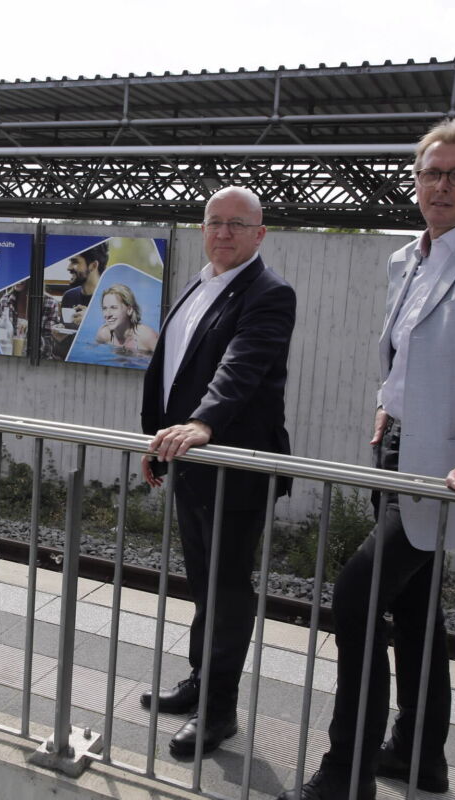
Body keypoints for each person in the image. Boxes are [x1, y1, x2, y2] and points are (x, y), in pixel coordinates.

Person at [279, 117, 455, 800]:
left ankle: (345, 776)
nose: (441, 185)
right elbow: (410, 353)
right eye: (431, 173)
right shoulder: (407, 258)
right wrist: (389, 402)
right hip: (395, 452)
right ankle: (418, 757)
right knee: (415, 611)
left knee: (356, 595)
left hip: (448, 467)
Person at [139, 186, 296, 758]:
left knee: (228, 590)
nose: (224, 232)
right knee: (203, 583)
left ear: (260, 234)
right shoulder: (200, 283)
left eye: (237, 224)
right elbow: (170, 370)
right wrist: (156, 441)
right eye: (214, 222)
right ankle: (199, 683)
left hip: (236, 466)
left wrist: (203, 423)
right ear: (203, 229)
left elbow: (242, 366)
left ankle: (220, 712)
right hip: (190, 462)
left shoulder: (269, 293)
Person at [50, 241, 109, 359]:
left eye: (75, 262)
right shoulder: (69, 296)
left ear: (93, 265)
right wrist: (59, 338)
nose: (69, 267)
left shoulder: (112, 299)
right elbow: (63, 351)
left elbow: (120, 344)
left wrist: (90, 321)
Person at [94, 283, 158, 354]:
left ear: (129, 310)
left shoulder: (147, 337)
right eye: (104, 308)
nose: (108, 314)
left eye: (114, 307)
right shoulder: (104, 334)